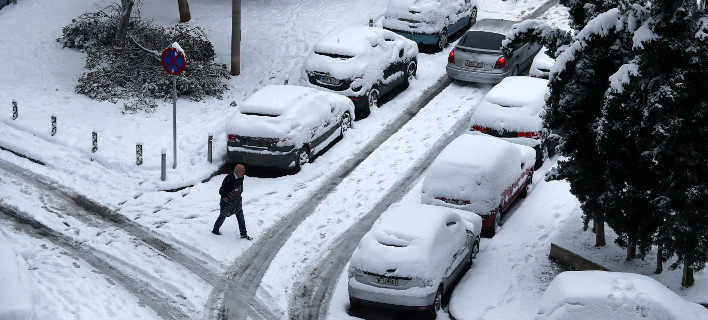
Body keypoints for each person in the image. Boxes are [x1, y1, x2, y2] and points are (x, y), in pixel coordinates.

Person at [212, 164, 252, 240]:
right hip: (227, 201)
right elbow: (221, 191)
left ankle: (243, 234)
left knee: (241, 217)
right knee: (222, 216)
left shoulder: (241, 177)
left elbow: (240, 187)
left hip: (236, 201)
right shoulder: (229, 178)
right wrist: (225, 198)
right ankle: (215, 230)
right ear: (237, 172)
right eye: (242, 171)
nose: (244, 172)